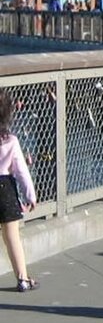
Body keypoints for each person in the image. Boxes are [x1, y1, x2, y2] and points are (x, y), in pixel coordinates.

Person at [0, 91, 39, 291]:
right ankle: (22, 279)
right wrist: (30, 195)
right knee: (12, 235)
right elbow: (22, 171)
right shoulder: (11, 141)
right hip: (5, 189)